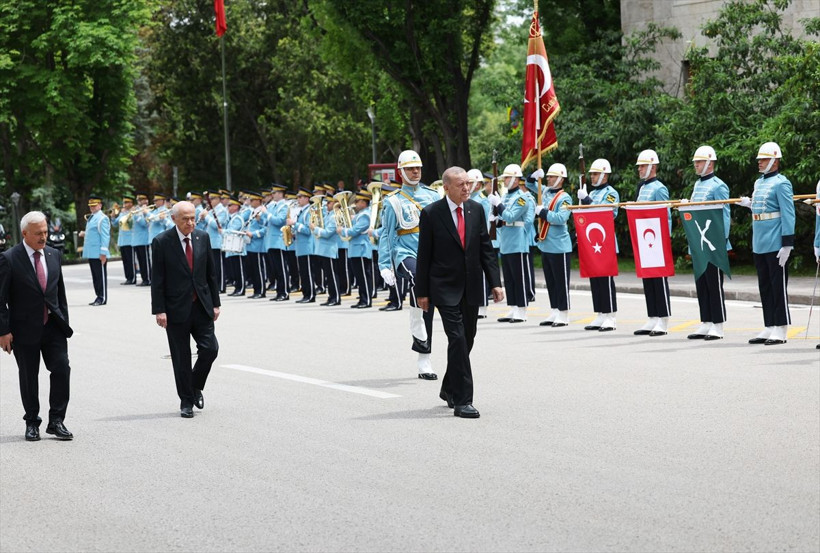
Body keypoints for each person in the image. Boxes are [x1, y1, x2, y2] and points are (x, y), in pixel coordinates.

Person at [416, 167, 503, 418]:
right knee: (457, 339)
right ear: (446, 188)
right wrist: (422, 292)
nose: (466, 188)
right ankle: (463, 400)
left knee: (468, 337)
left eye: (468, 183)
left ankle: (448, 387)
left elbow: (485, 248)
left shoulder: (476, 209)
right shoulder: (432, 214)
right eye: (460, 184)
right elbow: (424, 256)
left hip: (472, 285)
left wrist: (495, 282)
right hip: (443, 287)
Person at [0, 211, 74, 441]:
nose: (44, 236)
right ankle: (32, 422)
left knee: (61, 369)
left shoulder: (53, 254)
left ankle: (57, 421)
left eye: (45, 231)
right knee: (29, 376)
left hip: (53, 326)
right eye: (38, 233)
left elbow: (59, 293)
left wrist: (65, 322)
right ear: (25, 234)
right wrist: (3, 331)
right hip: (23, 329)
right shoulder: (9, 258)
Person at [151, 201, 220, 418]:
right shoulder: (162, 242)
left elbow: (211, 273)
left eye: (193, 218)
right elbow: (158, 279)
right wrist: (159, 310)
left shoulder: (202, 237)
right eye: (185, 219)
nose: (190, 223)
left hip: (201, 305)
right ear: (174, 219)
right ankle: (186, 401)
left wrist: (216, 303)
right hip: (175, 309)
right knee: (181, 357)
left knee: (210, 349)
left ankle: (195, 385)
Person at [378, 150, 441, 379]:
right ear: (401, 172)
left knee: (429, 303)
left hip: (431, 254)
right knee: (418, 279)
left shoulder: (433, 196)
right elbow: (386, 234)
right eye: (410, 168)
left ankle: (424, 355)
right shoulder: (393, 201)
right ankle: (423, 352)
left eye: (418, 168)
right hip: (406, 253)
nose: (415, 172)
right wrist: (384, 264)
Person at [739, 142, 795, 345]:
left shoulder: (782, 183)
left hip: (775, 240)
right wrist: (749, 205)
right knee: (764, 285)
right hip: (760, 240)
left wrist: (787, 243)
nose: (759, 163)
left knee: (777, 285)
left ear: (774, 160)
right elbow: (762, 209)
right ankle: (769, 325)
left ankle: (781, 328)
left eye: (763, 159)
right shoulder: (758, 183)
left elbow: (788, 213)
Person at [684, 146, 731, 341]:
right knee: (702, 283)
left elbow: (724, 214)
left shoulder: (718, 186)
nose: (696, 165)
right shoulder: (697, 185)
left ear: (710, 163)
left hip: (713, 243)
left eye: (700, 162)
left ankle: (718, 324)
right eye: (695, 162)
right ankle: (706, 321)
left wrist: (721, 240)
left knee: (713, 283)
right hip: (699, 241)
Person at [487, 163, 535, 323]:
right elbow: (502, 219)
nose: (505, 180)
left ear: (515, 179)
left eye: (507, 177)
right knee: (509, 278)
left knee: (519, 277)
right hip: (506, 241)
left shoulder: (522, 198)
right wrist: (494, 219)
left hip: (518, 241)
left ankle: (522, 310)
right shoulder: (506, 196)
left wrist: (498, 205)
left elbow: (510, 216)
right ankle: (513, 307)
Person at [632, 149, 672, 337]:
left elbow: (666, 215)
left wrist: (665, 238)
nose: (639, 169)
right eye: (639, 166)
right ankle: (652, 316)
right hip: (644, 238)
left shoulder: (659, 188)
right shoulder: (642, 187)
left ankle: (663, 319)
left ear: (653, 167)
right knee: (648, 278)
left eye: (642, 166)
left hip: (657, 240)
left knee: (659, 279)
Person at [578, 158, 619, 331]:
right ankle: (600, 313)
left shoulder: (611, 193)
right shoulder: (592, 193)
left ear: (604, 175)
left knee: (606, 279)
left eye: (595, 174)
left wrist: (587, 200)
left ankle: (610, 315)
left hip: (605, 242)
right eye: (592, 174)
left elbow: (608, 212)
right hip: (591, 242)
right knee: (595, 278)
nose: (592, 177)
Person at [532, 163, 573, 327]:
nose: (548, 179)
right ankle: (555, 309)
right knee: (551, 281)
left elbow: (560, 218)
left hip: (559, 246)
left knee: (561, 282)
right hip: (546, 244)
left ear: (561, 179)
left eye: (552, 176)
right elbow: (529, 184)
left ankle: (564, 313)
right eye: (548, 176)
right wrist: (533, 176)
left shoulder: (565, 198)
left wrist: (542, 212)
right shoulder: (546, 192)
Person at [339, 188, 373, 308]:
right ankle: (362, 299)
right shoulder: (360, 215)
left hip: (361, 249)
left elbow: (355, 230)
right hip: (356, 249)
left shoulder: (365, 215)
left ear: (364, 202)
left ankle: (366, 300)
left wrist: (342, 230)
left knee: (364, 276)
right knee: (360, 277)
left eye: (358, 201)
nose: (355, 204)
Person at [78, 195, 110, 306]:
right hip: (91, 252)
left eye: (94, 205)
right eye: (91, 206)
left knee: (100, 276)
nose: (92, 207)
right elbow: (94, 234)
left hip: (98, 253)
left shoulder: (102, 218)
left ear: (100, 205)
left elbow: (105, 236)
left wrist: (103, 253)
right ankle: (98, 296)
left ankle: (102, 297)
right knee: (95, 276)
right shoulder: (92, 217)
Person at [312, 195, 341, 306]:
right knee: (328, 276)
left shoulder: (334, 217)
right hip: (323, 249)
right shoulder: (328, 215)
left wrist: (315, 228)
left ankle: (335, 298)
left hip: (330, 249)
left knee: (332, 275)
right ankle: (331, 297)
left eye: (328, 203)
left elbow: (328, 233)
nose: (326, 205)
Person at [290, 187, 316, 303]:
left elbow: (308, 230)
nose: (298, 199)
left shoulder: (309, 211)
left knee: (308, 272)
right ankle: (306, 294)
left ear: (307, 198)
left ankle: (310, 295)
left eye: (300, 197)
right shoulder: (301, 211)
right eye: (298, 197)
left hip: (307, 246)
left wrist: (295, 224)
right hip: (301, 246)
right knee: (303, 272)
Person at [113, 195, 136, 285]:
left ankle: (132, 278)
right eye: (124, 203)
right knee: (125, 261)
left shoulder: (133, 212)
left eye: (126, 202)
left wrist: (129, 213)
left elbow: (131, 223)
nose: (124, 204)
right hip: (122, 240)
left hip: (130, 240)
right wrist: (113, 217)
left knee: (130, 260)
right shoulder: (122, 213)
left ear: (131, 203)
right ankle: (128, 278)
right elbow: (115, 224)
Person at [131, 193, 152, 285]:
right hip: (136, 239)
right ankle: (144, 279)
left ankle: (147, 279)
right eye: (139, 200)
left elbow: (144, 224)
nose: (140, 202)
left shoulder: (148, 210)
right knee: (140, 260)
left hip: (144, 239)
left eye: (142, 200)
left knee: (145, 261)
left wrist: (136, 216)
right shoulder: (137, 210)